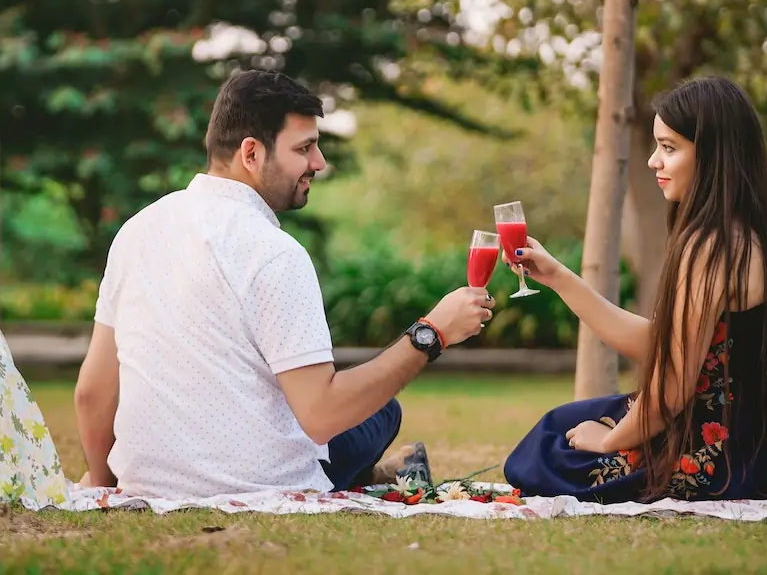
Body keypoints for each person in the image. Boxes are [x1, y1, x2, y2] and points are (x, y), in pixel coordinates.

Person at [73, 69, 494, 498]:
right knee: (382, 412)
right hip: (263, 484)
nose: (319, 162)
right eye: (304, 148)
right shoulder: (274, 252)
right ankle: (375, 473)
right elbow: (323, 415)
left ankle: (381, 472)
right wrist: (432, 334)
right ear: (251, 154)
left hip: (149, 482)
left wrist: (109, 491)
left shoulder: (137, 230)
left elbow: (91, 393)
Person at [503, 75, 767, 504]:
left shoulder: (709, 246)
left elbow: (671, 387)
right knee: (564, 424)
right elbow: (664, 344)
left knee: (543, 453)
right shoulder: (754, 234)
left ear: (713, 156)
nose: (653, 161)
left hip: (727, 454)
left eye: (669, 148)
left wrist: (613, 441)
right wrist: (559, 278)